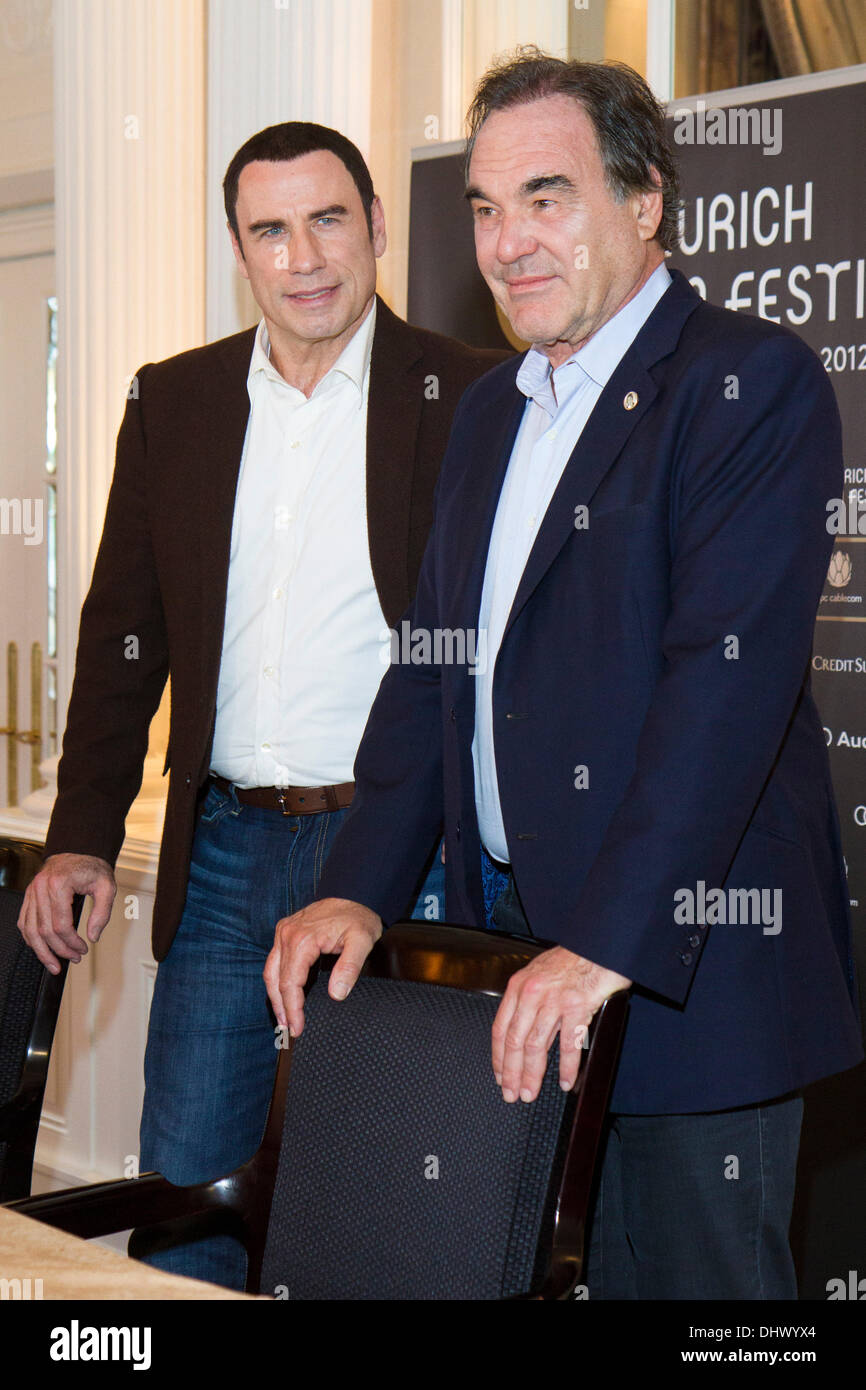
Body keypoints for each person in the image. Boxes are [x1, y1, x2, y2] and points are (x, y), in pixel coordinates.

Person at [265, 55, 864, 1300]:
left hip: (685, 978)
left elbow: (723, 694)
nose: (506, 241)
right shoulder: (488, 413)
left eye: (546, 196)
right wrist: (358, 889)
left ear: (643, 202)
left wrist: (601, 945)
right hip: (509, 976)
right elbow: (432, 675)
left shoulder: (748, 384)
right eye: (484, 208)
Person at [17, 120, 507, 1289]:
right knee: (189, 1199)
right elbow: (118, 635)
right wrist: (83, 827)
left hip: (397, 855)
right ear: (238, 247)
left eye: (328, 219)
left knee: (385, 1201)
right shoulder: (173, 402)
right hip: (226, 859)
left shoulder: (471, 396)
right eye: (270, 229)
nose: (304, 256)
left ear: (377, 226)